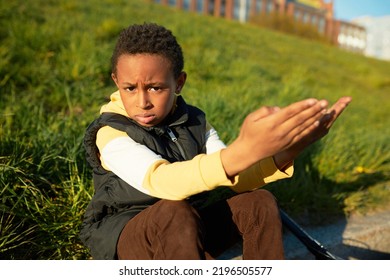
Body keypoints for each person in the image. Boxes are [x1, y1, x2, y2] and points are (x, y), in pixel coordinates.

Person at [79, 22, 352, 260]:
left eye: (155, 87)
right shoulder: (110, 132)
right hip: (129, 237)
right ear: (116, 82)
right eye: (130, 88)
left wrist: (292, 148)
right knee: (174, 210)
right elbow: (162, 182)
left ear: (179, 83)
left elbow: (238, 177)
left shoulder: (195, 121)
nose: (142, 102)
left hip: (188, 229)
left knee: (259, 201)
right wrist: (244, 150)